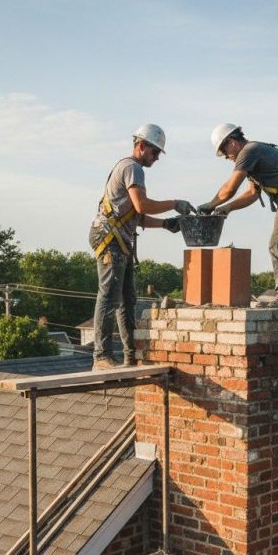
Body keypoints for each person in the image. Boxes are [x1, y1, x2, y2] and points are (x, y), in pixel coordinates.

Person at [89, 124, 195, 371]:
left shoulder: (129, 168)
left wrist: (166, 224)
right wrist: (174, 203)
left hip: (118, 239)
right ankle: (101, 356)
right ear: (141, 146)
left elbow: (137, 216)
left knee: (127, 300)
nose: (156, 158)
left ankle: (131, 356)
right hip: (110, 239)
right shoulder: (132, 168)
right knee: (109, 296)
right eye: (155, 152)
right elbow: (142, 205)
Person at [198, 123, 278, 308]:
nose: (227, 157)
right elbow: (252, 194)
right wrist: (227, 208)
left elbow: (230, 188)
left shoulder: (247, 152)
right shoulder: (257, 152)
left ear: (232, 142)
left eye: (225, 152)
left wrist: (211, 205)